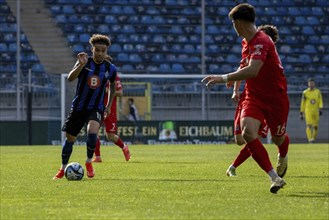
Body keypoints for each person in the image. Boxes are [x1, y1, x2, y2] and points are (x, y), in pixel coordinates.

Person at [201, 3, 290, 193]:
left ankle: (283, 154)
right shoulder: (246, 43)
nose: (233, 27)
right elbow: (244, 68)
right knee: (248, 133)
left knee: (278, 138)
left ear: (238, 23)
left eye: (233, 23)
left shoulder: (262, 41)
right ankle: (274, 178)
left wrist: (222, 78)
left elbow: (253, 70)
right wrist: (235, 85)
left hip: (276, 99)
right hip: (254, 96)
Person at [53, 34, 117, 179]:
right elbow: (70, 78)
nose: (100, 53)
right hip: (79, 107)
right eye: (97, 50)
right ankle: (63, 168)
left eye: (103, 51)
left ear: (106, 52)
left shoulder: (110, 68)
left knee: (92, 131)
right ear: (92, 49)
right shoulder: (84, 61)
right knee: (70, 139)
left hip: (96, 107)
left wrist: (108, 105)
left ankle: (89, 162)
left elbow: (113, 85)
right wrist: (80, 65)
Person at [226, 25, 279, 177]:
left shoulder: (273, 59)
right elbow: (242, 68)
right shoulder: (253, 51)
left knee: (253, 136)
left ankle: (234, 167)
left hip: (267, 102)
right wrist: (235, 89)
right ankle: (234, 167)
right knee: (240, 139)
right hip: (250, 99)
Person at [93, 73, 131, 163]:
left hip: (110, 110)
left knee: (110, 136)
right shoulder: (96, 75)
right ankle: (97, 156)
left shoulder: (114, 76)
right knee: (93, 131)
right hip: (97, 108)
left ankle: (124, 147)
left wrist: (107, 90)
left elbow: (120, 93)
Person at [300, 78, 323, 143]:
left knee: (315, 127)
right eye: (310, 83)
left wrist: (320, 108)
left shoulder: (318, 92)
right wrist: (301, 112)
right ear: (308, 84)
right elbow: (303, 102)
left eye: (312, 83)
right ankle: (310, 139)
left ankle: (313, 138)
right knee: (309, 125)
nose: (311, 84)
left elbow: (320, 100)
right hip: (308, 111)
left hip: (316, 110)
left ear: (314, 84)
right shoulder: (305, 92)